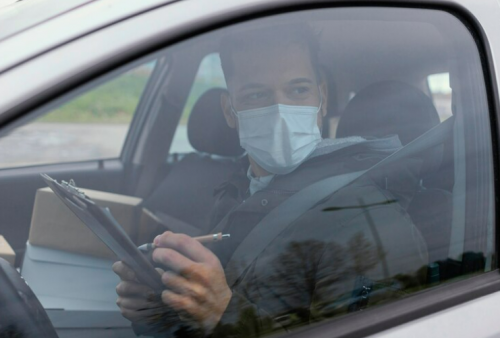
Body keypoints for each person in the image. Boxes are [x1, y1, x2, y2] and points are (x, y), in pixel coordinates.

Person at [113, 23, 428, 337]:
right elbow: (198, 323)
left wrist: (225, 314)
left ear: (322, 98)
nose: (280, 110)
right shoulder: (238, 193)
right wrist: (155, 308)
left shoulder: (369, 220)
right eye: (256, 95)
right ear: (229, 111)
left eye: (298, 90)